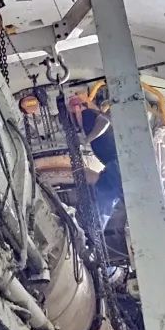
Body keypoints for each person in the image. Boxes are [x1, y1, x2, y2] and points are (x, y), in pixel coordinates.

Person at [67, 94, 123, 229]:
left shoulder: (87, 115)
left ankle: (95, 227)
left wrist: (86, 140)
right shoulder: (87, 121)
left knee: (110, 194)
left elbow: (104, 122)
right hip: (114, 165)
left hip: (117, 164)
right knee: (105, 193)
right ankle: (95, 227)